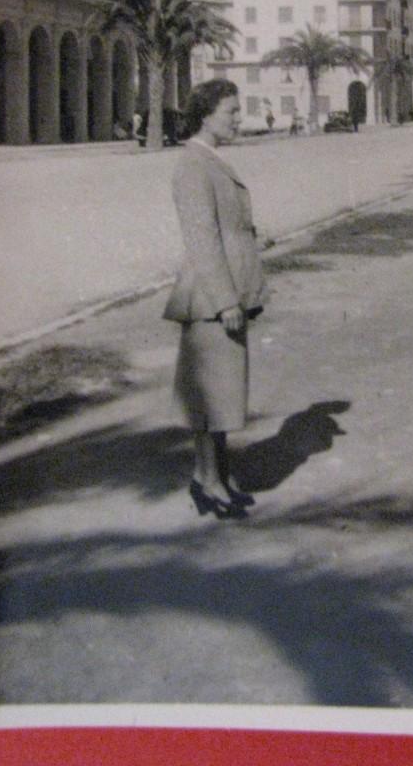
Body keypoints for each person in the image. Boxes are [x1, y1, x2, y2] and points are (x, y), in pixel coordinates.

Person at [163, 80, 267, 519]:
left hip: (225, 292)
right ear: (206, 115)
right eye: (231, 112)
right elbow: (202, 240)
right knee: (210, 399)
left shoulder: (211, 159)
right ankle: (207, 482)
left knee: (221, 395)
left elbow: (227, 227)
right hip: (210, 299)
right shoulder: (193, 164)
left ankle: (215, 477)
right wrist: (225, 301)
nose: (239, 119)